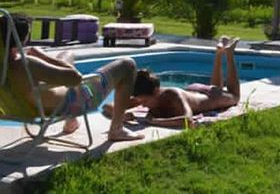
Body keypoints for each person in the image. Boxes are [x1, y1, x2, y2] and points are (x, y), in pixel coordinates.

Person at [0, 13, 143, 142]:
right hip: (73, 102)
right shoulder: (26, 64)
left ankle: (71, 122)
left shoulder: (5, 66)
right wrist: (42, 56)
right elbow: (75, 78)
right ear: (23, 38)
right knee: (127, 64)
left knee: (68, 54)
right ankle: (116, 129)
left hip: (30, 107)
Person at [131, 36, 241, 128]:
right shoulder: (152, 95)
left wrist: (155, 122)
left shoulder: (172, 95)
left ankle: (229, 55)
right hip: (192, 91)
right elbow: (120, 106)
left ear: (156, 91)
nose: (143, 105)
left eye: (145, 101)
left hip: (208, 96)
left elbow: (187, 120)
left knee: (235, 96)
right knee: (216, 87)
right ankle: (219, 53)